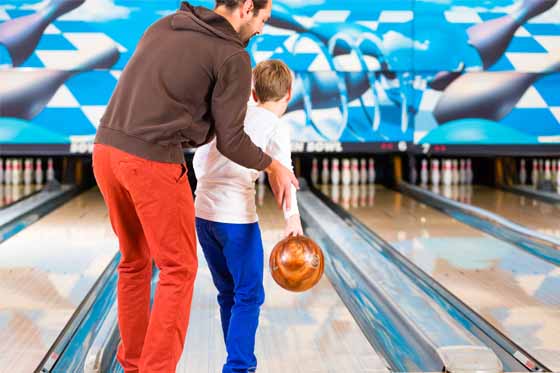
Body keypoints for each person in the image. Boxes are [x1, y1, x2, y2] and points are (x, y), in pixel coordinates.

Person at [91, 0, 298, 372]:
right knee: (178, 269)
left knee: (135, 261)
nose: (262, 29)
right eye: (263, 20)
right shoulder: (233, 55)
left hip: (105, 150)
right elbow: (232, 140)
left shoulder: (167, 24)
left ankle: (134, 364)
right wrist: (273, 166)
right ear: (247, 7)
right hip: (151, 161)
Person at [193, 59, 303, 373]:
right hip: (236, 220)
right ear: (289, 94)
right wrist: (291, 218)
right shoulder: (277, 127)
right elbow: (284, 175)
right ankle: (239, 367)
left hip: (203, 216)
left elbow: (201, 159)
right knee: (249, 294)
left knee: (229, 292)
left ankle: (236, 362)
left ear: (253, 93)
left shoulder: (232, 113)